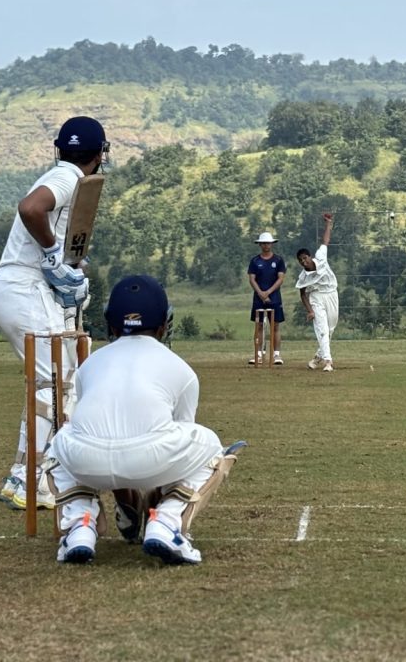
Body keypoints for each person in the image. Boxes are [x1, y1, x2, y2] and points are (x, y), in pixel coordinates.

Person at [47, 274, 245, 565]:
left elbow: (99, 429)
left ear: (111, 323)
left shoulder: (89, 365)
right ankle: (166, 523)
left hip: (86, 462)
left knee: (60, 442)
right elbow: (181, 444)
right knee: (210, 446)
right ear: (164, 325)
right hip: (152, 459)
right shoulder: (182, 369)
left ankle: (80, 525)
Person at [0, 116, 108, 509]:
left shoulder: (61, 173)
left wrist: (70, 269)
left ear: (60, 147)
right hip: (25, 288)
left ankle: (23, 475)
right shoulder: (68, 177)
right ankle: (38, 483)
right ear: (100, 154)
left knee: (48, 385)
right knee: (58, 386)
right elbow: (31, 209)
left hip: (17, 288)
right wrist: (54, 257)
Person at [296, 212, 339, 372]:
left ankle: (317, 358)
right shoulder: (303, 277)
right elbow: (302, 294)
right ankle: (328, 362)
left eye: (304, 258)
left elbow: (325, 241)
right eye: (300, 261)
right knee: (322, 329)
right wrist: (310, 311)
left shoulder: (320, 257)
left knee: (330, 329)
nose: (303, 262)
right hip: (316, 298)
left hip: (332, 293)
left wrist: (328, 223)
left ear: (309, 257)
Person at [247, 231, 287, 365]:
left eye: (268, 243)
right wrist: (260, 293)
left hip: (274, 297)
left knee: (275, 326)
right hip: (258, 298)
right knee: (258, 326)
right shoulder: (255, 261)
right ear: (260, 244)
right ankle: (258, 354)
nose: (266, 245)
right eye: (263, 243)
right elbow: (252, 279)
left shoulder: (278, 260)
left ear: (272, 244)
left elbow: (280, 278)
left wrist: (268, 292)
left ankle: (276, 355)